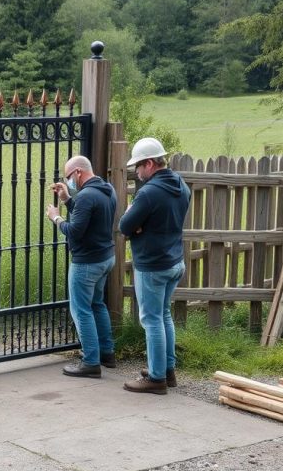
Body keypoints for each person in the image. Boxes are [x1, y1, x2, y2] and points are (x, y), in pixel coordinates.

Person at [119, 138, 191, 395]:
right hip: (174, 261)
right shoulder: (181, 185)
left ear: (150, 163)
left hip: (152, 265)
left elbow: (124, 227)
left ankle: (157, 378)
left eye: (138, 166)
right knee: (164, 315)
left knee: (151, 320)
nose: (137, 172)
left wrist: (133, 217)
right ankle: (167, 370)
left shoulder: (148, 193)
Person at [46, 155, 117, 378]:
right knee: (97, 304)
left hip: (86, 262)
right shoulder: (107, 189)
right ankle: (107, 353)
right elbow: (88, 217)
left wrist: (56, 218)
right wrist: (67, 199)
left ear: (78, 172)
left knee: (81, 310)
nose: (68, 181)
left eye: (68, 177)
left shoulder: (87, 195)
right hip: (105, 257)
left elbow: (76, 230)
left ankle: (90, 362)